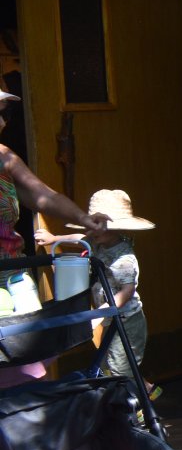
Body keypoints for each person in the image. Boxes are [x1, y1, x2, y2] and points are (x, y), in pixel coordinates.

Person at [0, 91, 108, 388]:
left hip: (13, 277)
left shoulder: (4, 157)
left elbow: (43, 196)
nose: (1, 122)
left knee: (29, 362)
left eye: (3, 113)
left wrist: (84, 218)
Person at [38, 188, 155, 391]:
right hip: (112, 318)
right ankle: (148, 391)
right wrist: (54, 238)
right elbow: (79, 238)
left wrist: (100, 315)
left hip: (128, 321)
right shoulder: (98, 241)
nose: (93, 231)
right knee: (111, 364)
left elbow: (127, 291)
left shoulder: (124, 257)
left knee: (120, 369)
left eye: (100, 226)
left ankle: (136, 411)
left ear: (115, 227)